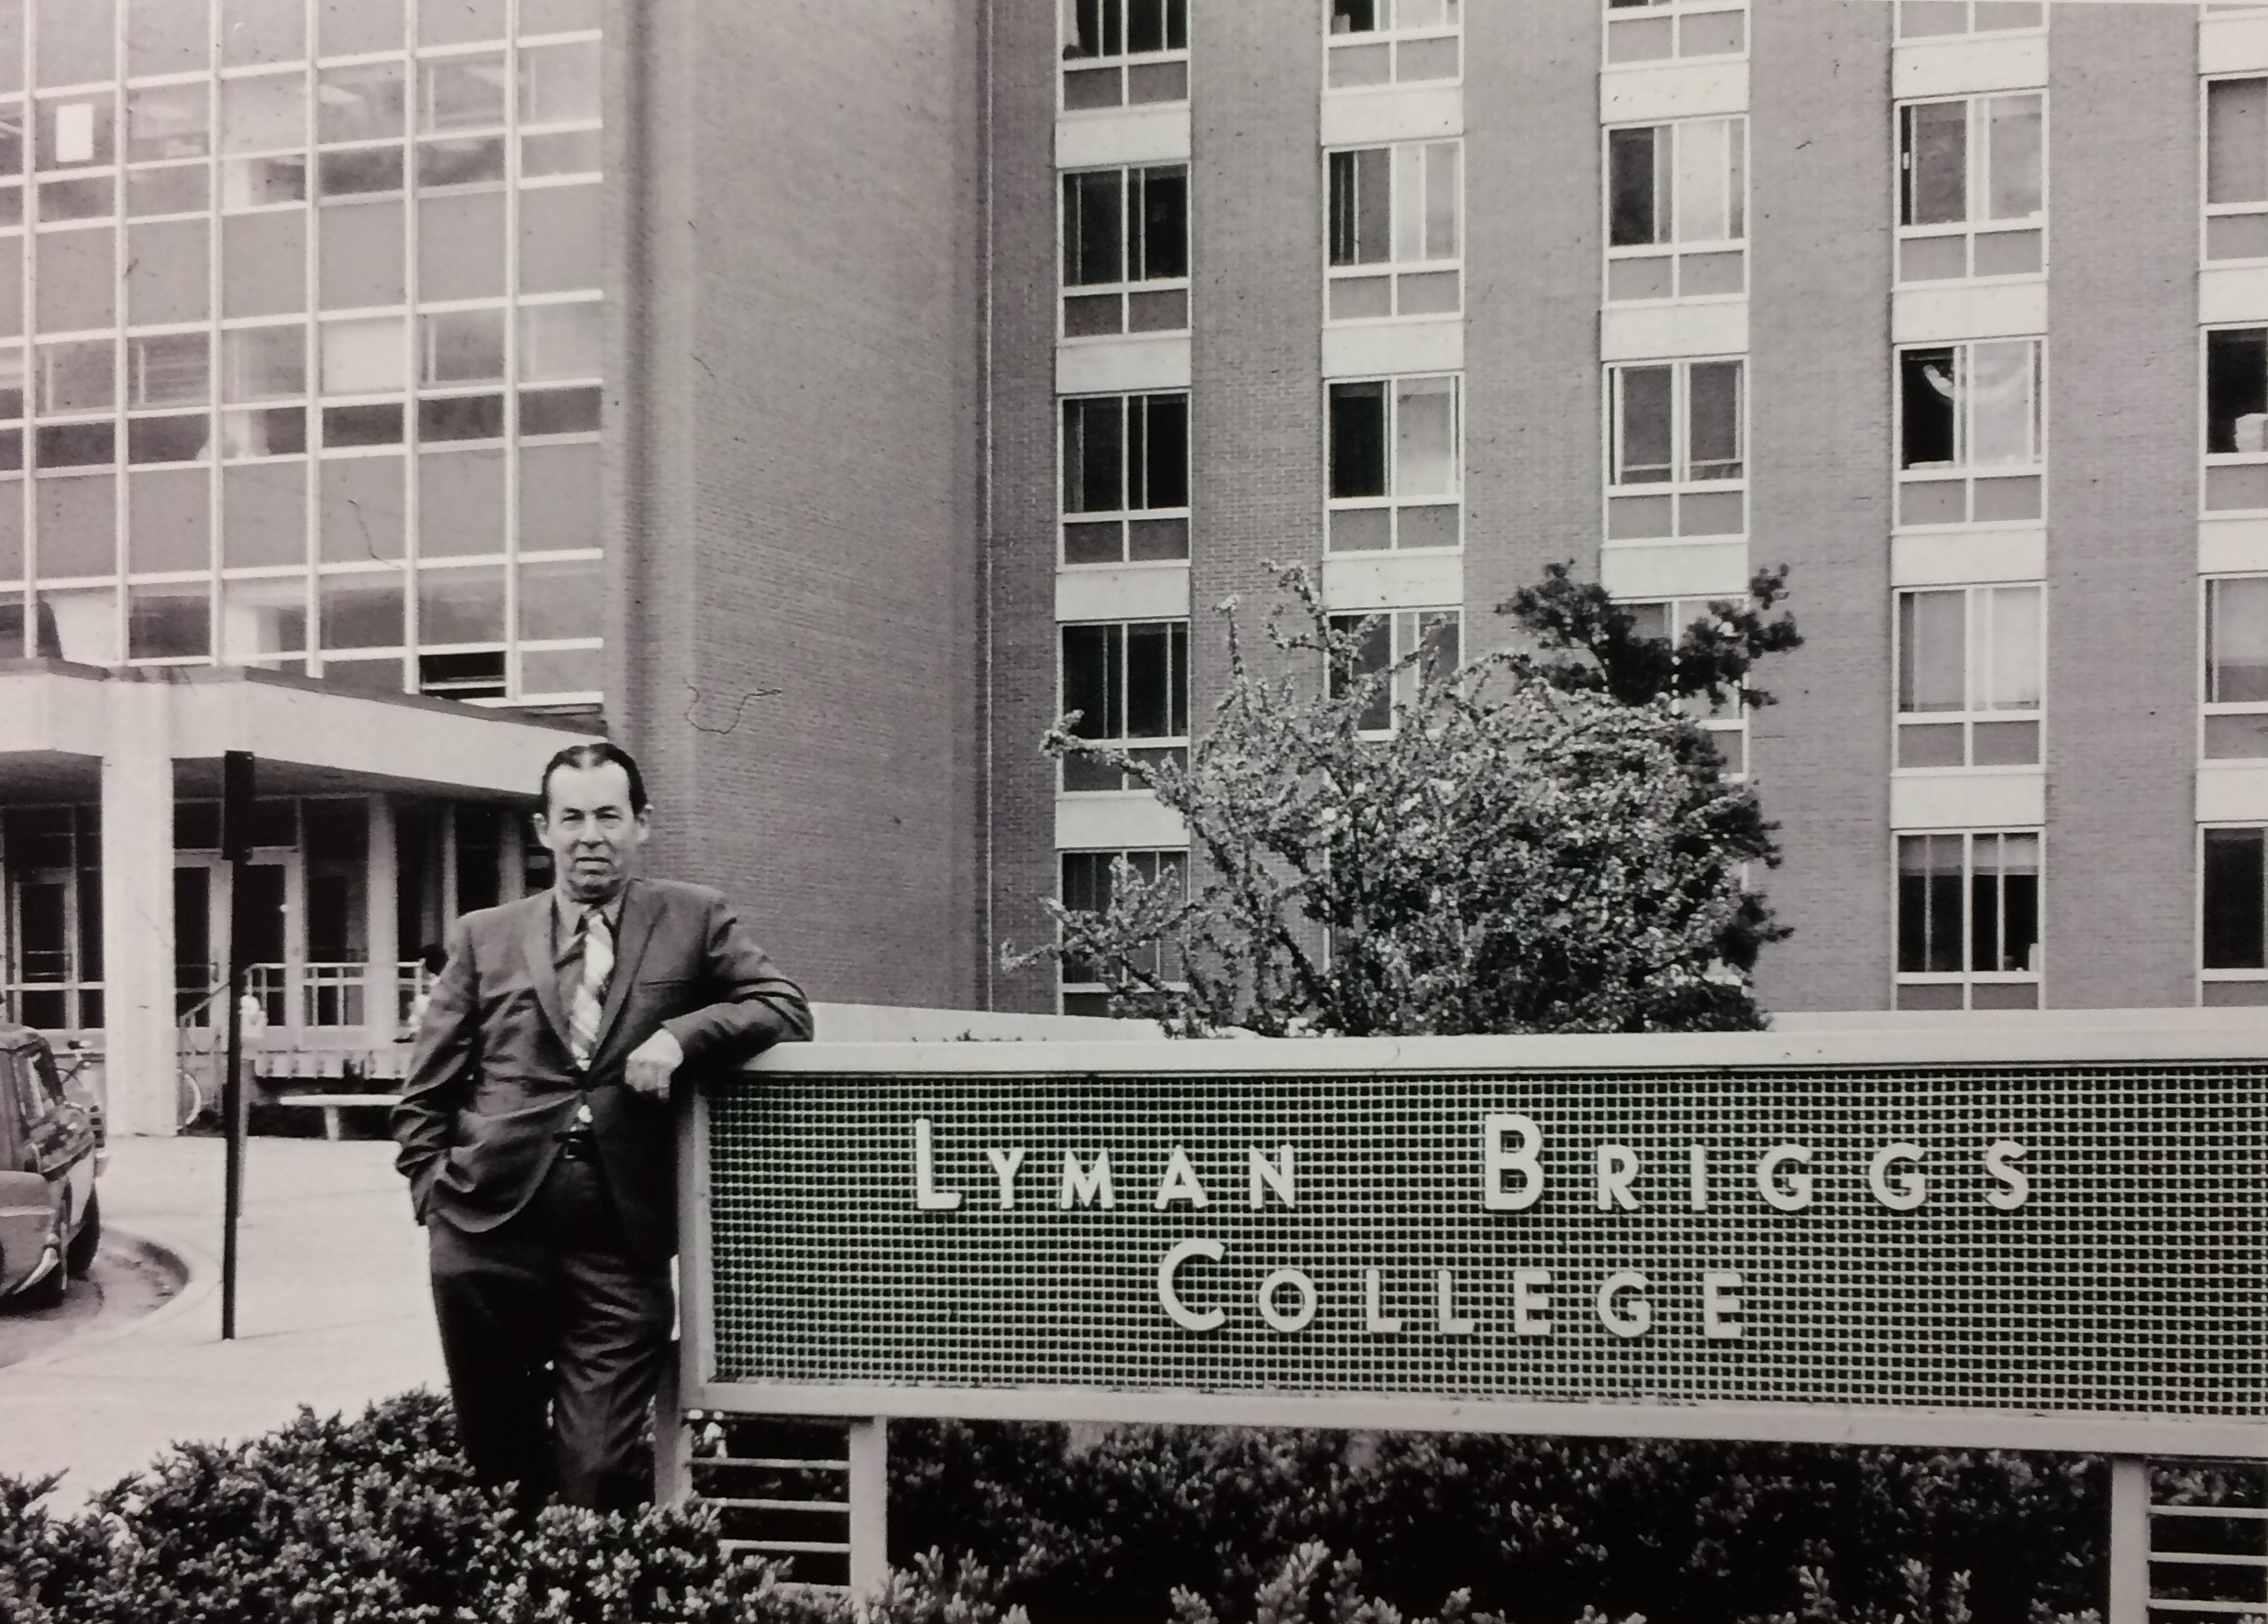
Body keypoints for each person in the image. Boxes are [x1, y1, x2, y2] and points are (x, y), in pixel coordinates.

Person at [389, 741, 811, 1510]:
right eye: (572, 817)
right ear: (543, 829)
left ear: (641, 824)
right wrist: (436, 1199)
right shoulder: (484, 935)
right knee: (500, 1469)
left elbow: (783, 1005)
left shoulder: (694, 916)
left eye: (609, 815)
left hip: (621, 1242)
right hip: (487, 1235)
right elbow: (426, 1091)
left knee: (598, 1472)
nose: (591, 834)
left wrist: (682, 1036)